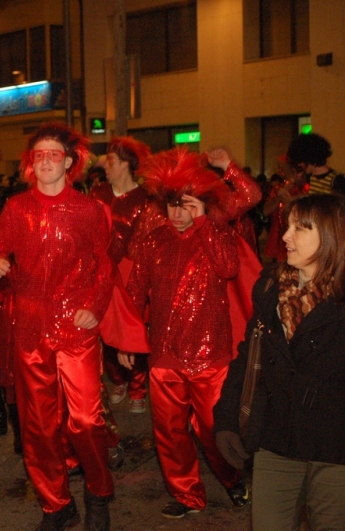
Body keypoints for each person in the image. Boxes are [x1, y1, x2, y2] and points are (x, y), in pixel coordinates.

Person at [0, 122, 114, 531]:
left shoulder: (89, 209)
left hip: (75, 328)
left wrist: (94, 307)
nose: (45, 162)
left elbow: (104, 266)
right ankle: (56, 504)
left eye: (54, 155)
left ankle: (98, 492)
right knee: (38, 426)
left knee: (86, 419)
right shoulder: (17, 208)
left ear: (69, 162)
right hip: (30, 329)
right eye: (39, 155)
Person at [125, 148, 249, 519]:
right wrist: (127, 339)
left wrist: (204, 221)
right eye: (172, 206)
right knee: (169, 431)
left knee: (213, 429)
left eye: (186, 205)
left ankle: (233, 479)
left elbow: (228, 268)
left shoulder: (216, 232)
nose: (177, 214)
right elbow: (135, 292)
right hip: (165, 353)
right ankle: (186, 494)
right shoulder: (153, 241)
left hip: (211, 352)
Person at [214, 193, 345, 531]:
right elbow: (248, 355)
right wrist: (226, 419)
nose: (285, 236)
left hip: (335, 449)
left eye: (300, 228)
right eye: (288, 226)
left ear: (332, 237)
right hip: (276, 439)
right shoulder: (271, 288)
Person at [90, 137, 156, 415]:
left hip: (131, 269)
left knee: (133, 327)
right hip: (101, 270)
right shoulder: (97, 193)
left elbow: (145, 242)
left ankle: (138, 387)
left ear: (127, 164)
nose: (106, 166)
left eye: (112, 161)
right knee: (104, 327)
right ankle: (117, 379)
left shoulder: (146, 198)